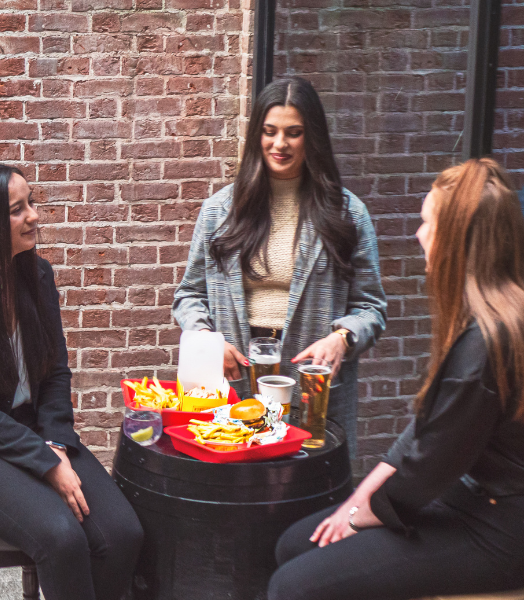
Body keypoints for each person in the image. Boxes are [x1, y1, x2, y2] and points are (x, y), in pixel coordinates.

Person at [267, 159, 524, 600]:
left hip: (496, 529)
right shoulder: (480, 319)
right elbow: (421, 434)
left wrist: (356, 517)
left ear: (458, 240)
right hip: (462, 497)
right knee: (294, 544)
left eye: (428, 223)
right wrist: (356, 501)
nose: (419, 235)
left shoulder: (486, 342)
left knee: (292, 587)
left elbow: (430, 465)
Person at [0, 164, 144, 600]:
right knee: (62, 537)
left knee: (124, 533)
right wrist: (46, 462)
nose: (34, 216)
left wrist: (55, 441)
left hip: (34, 431)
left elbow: (55, 371)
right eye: (18, 210)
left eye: (31, 203)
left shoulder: (36, 275)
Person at [172, 77, 387, 452]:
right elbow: (189, 296)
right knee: (238, 491)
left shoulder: (348, 213)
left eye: (294, 132)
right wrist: (206, 340)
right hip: (232, 382)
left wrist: (342, 338)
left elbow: (371, 308)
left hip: (312, 390)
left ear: (312, 137)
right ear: (258, 134)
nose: (280, 144)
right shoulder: (219, 211)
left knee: (309, 491)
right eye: (270, 132)